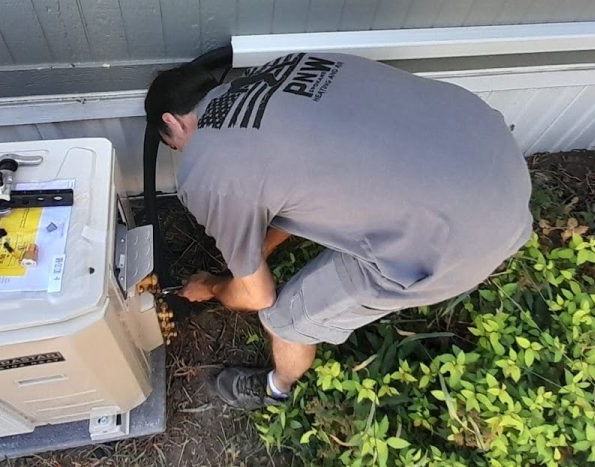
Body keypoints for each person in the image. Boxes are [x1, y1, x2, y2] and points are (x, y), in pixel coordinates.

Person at [144, 52, 532, 410]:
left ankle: (275, 389)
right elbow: (309, 170)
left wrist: (211, 285)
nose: (183, 152)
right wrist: (256, 250)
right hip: (494, 155)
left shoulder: (206, 172)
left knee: (283, 319)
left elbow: (257, 296)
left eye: (175, 145)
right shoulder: (290, 64)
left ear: (172, 122)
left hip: (457, 243)